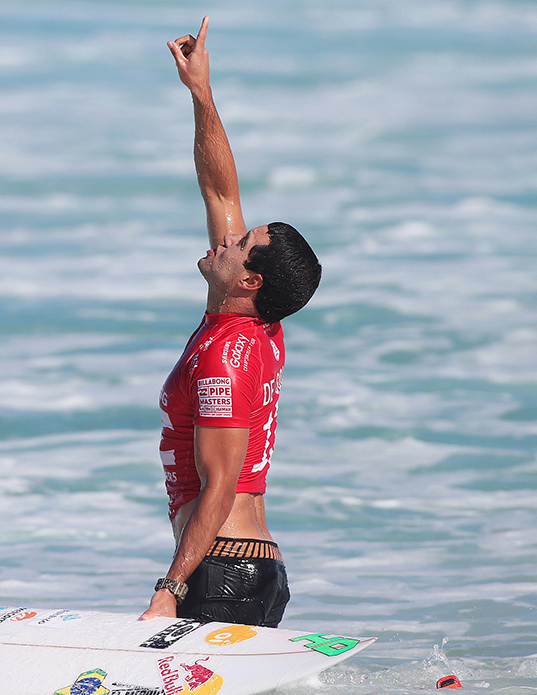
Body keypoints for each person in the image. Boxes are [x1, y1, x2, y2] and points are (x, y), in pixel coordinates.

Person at [140, 17, 322, 628]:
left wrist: (170, 587)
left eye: (238, 244)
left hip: (221, 570)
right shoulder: (255, 325)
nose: (225, 239)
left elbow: (218, 487)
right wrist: (201, 93)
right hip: (244, 568)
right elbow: (220, 190)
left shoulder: (226, 356)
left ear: (250, 281)